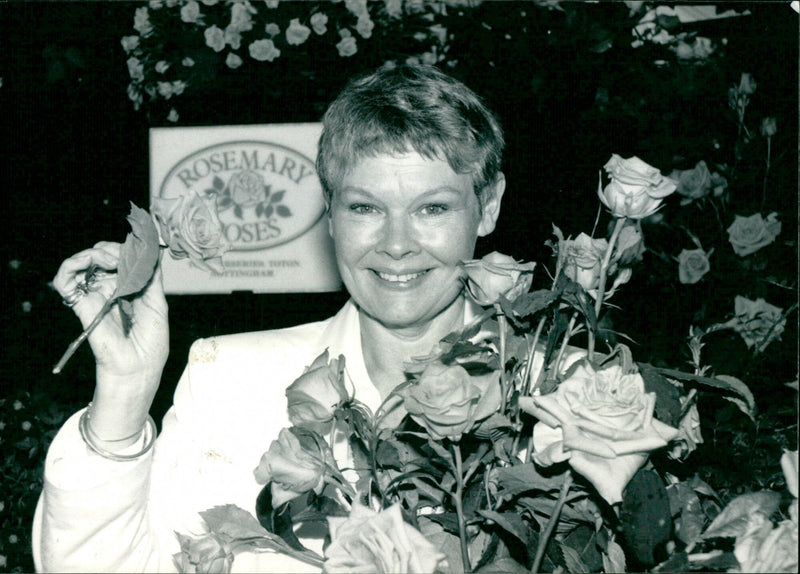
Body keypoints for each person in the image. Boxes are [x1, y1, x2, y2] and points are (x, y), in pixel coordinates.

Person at [34, 63, 506, 572]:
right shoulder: (227, 377)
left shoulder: (564, 396)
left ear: (488, 206)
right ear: (329, 211)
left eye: (431, 209)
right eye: (365, 208)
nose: (396, 245)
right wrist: (125, 394)